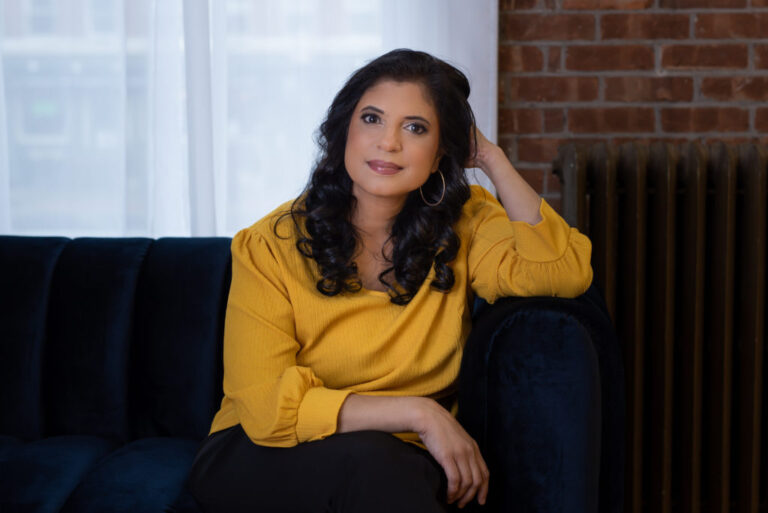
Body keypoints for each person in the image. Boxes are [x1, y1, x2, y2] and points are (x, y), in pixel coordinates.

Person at [186, 48, 593, 513]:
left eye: (415, 128)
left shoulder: (467, 222)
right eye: (373, 119)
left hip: (399, 462)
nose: (389, 143)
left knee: (394, 470)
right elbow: (264, 408)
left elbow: (563, 273)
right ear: (344, 132)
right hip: (261, 452)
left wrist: (492, 158)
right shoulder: (268, 245)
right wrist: (420, 413)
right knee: (378, 466)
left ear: (441, 151)